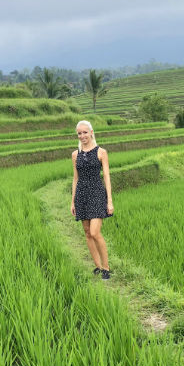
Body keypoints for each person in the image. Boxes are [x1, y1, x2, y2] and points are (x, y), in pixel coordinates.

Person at [71, 120, 114, 280]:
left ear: (91, 132)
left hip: (97, 193)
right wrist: (72, 201)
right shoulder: (75, 155)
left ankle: (106, 267)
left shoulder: (101, 152)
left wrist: (109, 201)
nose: (82, 136)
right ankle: (97, 265)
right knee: (87, 233)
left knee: (95, 232)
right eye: (79, 133)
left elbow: (107, 177)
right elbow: (75, 178)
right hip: (82, 194)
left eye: (85, 132)